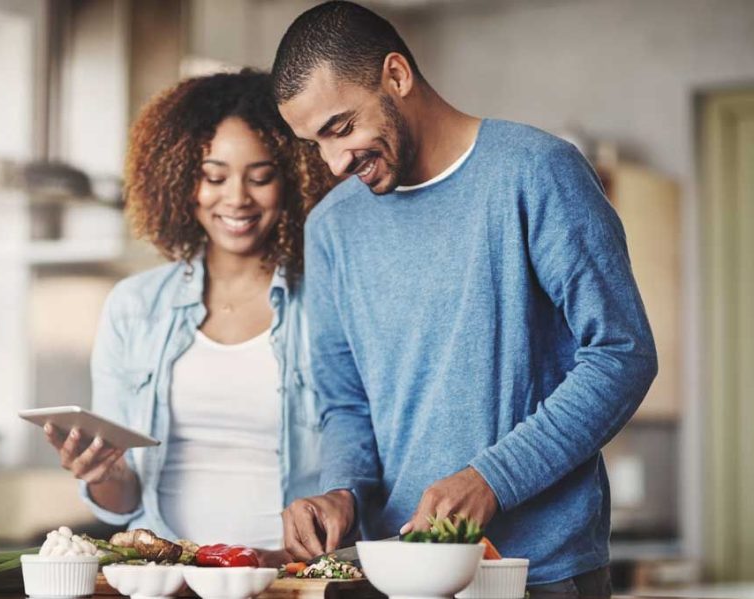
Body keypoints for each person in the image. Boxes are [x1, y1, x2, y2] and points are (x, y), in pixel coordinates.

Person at [270, 2, 657, 595]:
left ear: (396, 76)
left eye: (341, 127)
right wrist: (342, 491)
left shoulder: (535, 172)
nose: (333, 162)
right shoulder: (330, 227)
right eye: (313, 144)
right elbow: (346, 403)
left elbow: (621, 353)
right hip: (395, 571)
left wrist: (491, 479)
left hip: (538, 572)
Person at [42, 70, 334, 557]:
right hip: (164, 578)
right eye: (213, 176)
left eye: (261, 177)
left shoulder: (328, 305)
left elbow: (358, 471)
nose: (237, 198)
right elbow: (121, 504)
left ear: (293, 181)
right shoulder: (134, 308)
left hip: (286, 579)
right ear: (180, 180)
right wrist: (106, 474)